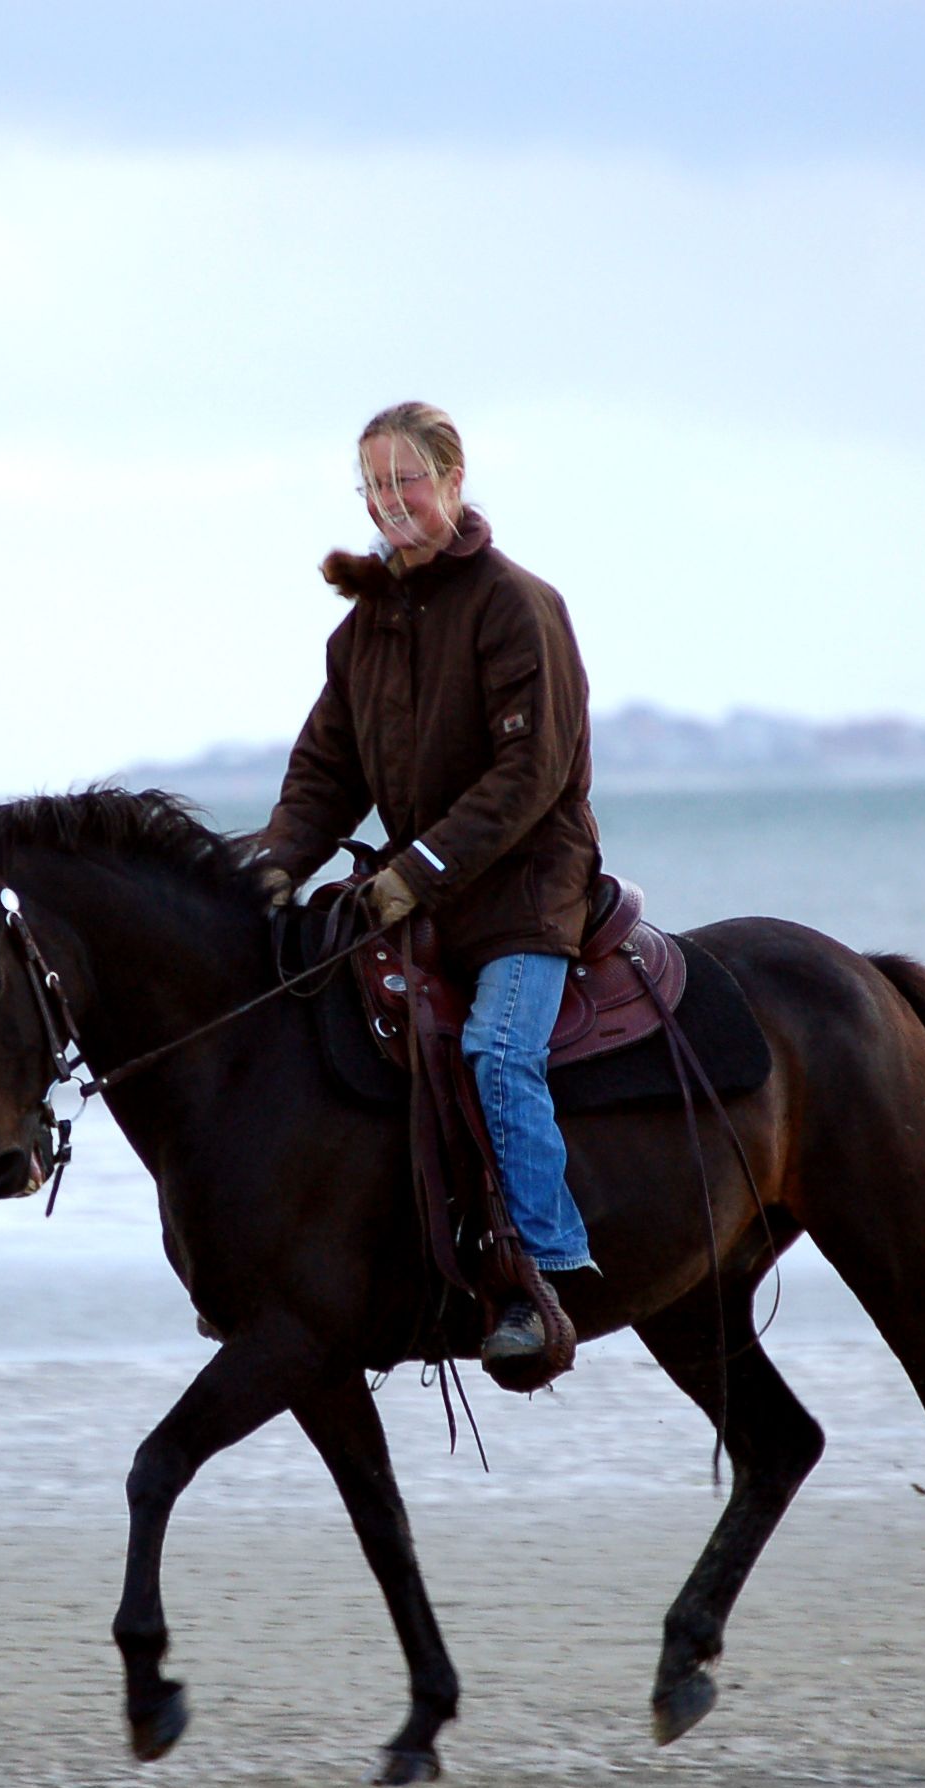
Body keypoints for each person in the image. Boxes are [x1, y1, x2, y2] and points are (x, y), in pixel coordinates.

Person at [242, 401, 602, 1374]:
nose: (388, 500)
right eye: (372, 484)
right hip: (421, 896)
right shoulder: (360, 631)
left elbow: (528, 775)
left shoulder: (516, 604)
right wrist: (276, 864)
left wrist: (418, 870)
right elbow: (325, 775)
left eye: (405, 479)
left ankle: (540, 1272)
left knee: (494, 1052)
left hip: (526, 892)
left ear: (452, 479)